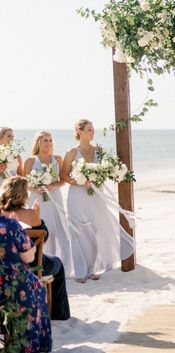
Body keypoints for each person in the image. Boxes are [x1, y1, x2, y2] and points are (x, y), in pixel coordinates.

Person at [61, 119, 134, 283]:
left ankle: (92, 269)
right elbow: (64, 175)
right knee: (79, 232)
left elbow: (104, 171)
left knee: (95, 231)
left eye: (93, 130)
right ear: (79, 131)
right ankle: (80, 272)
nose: (92, 132)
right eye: (89, 130)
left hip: (95, 196)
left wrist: (105, 174)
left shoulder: (99, 150)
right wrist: (79, 181)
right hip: (77, 197)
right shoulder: (72, 152)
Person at [0, 176, 71, 320]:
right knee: (58, 263)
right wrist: (37, 216)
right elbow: (43, 239)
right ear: (23, 195)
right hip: (32, 265)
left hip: (4, 266)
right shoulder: (31, 214)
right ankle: (60, 315)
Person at [0, 214, 52, 353]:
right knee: (38, 288)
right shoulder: (9, 224)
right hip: (12, 284)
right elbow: (29, 257)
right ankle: (32, 346)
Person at [23, 130, 73, 276]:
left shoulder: (58, 159)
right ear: (38, 142)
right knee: (41, 230)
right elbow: (25, 184)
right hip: (38, 200)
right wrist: (36, 188)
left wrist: (53, 186)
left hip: (55, 199)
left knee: (60, 231)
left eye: (50, 140)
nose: (48, 143)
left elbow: (63, 180)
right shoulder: (31, 161)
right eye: (45, 140)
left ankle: (64, 268)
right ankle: (40, 265)